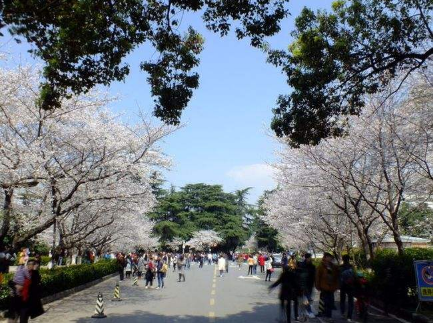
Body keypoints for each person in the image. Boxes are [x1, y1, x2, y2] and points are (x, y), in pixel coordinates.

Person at [8, 258, 34, 323]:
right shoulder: (22, 271)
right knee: (12, 320)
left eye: (33, 265)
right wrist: (15, 286)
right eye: (29, 264)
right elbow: (10, 282)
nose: (30, 266)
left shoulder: (34, 276)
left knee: (23, 320)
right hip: (15, 300)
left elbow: (30, 287)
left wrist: (17, 286)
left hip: (25, 303)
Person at [316, 252, 339, 321]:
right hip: (324, 287)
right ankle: (328, 316)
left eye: (331, 257)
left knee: (330, 302)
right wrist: (318, 286)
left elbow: (336, 277)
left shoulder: (334, 266)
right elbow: (317, 277)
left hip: (331, 288)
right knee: (326, 301)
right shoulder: (321, 266)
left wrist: (336, 286)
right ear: (325, 258)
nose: (330, 258)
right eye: (328, 257)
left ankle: (328, 315)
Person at [297, 253, 316, 318]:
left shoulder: (312, 266)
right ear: (306, 258)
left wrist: (315, 283)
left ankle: (306, 311)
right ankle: (309, 311)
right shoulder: (301, 265)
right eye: (309, 257)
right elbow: (298, 275)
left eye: (310, 257)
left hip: (310, 285)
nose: (310, 259)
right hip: (303, 285)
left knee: (308, 299)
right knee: (306, 299)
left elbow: (314, 275)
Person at [340, 255, 355, 321]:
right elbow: (355, 276)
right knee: (350, 301)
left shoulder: (340, 267)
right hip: (350, 286)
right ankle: (349, 316)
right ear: (349, 259)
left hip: (343, 286)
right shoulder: (352, 267)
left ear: (343, 259)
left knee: (342, 300)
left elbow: (338, 277)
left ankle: (343, 313)